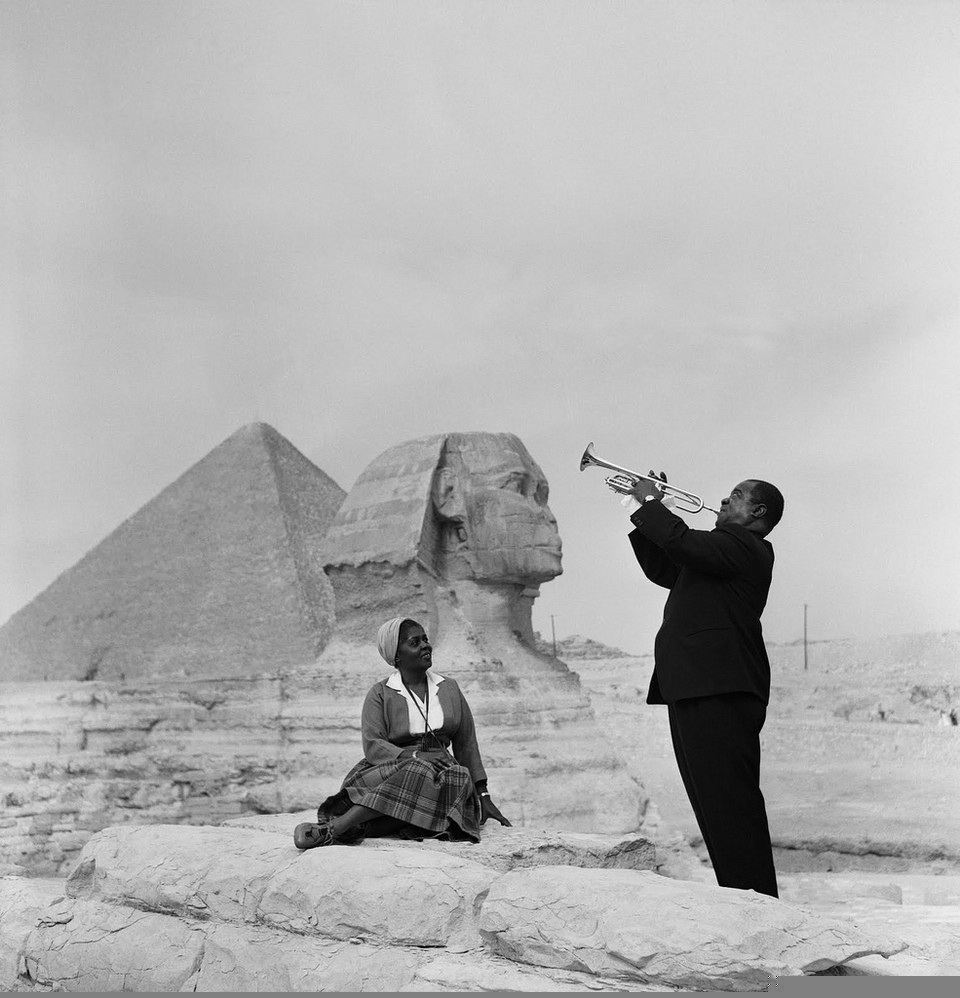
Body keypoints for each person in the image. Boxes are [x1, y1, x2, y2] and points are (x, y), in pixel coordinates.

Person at [627, 472, 784, 898]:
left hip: (720, 687)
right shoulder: (718, 554)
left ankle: (758, 904)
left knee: (731, 804)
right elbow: (664, 566)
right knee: (713, 805)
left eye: (735, 496)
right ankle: (742, 898)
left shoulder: (745, 547)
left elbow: (684, 543)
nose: (723, 499)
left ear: (758, 512)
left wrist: (653, 506)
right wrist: (647, 511)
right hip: (695, 685)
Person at [294, 616, 510, 849]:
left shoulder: (449, 688)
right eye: (415, 642)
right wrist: (415, 757)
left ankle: (348, 829)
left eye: (425, 640)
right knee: (419, 769)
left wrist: (484, 796)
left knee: (458, 776)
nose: (426, 645)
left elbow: (467, 744)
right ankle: (337, 827)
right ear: (396, 656)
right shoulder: (380, 693)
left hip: (442, 775)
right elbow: (373, 744)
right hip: (391, 768)